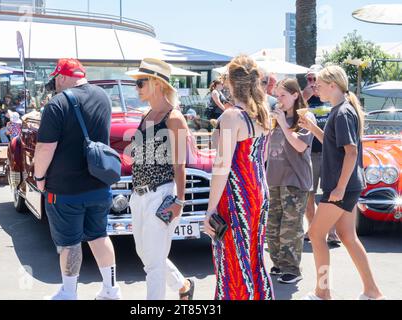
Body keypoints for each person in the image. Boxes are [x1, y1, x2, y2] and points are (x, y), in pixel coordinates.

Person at [34, 58, 121, 300]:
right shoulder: (104, 98)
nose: (55, 84)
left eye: (56, 79)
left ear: (62, 77)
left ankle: (69, 293)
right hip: (99, 183)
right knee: (99, 236)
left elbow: (44, 149)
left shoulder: (57, 104)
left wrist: (39, 177)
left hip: (65, 189)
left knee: (70, 243)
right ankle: (111, 290)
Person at [299, 65, 385, 300]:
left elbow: (350, 152)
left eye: (319, 84)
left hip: (341, 187)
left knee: (316, 234)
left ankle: (322, 292)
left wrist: (339, 187)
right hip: (346, 185)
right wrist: (313, 128)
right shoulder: (341, 110)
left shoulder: (342, 112)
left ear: (333, 85)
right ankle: (372, 291)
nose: (316, 87)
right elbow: (333, 143)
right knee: (347, 236)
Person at [203, 55, 274, 300]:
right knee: (253, 257)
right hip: (258, 190)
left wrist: (210, 210)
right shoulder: (263, 115)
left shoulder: (233, 116)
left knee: (232, 260)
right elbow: (260, 157)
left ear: (231, 83)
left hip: (237, 195)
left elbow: (222, 167)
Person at [127, 58, 195, 300]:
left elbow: (180, 164)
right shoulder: (147, 115)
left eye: (140, 83)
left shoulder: (173, 118)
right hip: (138, 195)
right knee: (146, 255)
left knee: (153, 265)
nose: (137, 88)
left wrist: (179, 201)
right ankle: (182, 285)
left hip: (162, 194)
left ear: (156, 83)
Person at [266, 79, 315, 284]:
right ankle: (278, 263)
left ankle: (292, 269)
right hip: (273, 179)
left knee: (290, 226)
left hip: (295, 179)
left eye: (283, 95)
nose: (279, 100)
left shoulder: (305, 116)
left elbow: (300, 146)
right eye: (277, 96)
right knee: (272, 226)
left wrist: (285, 125)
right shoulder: (277, 117)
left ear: (295, 95)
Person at [302, 65, 341, 246]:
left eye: (314, 79)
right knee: (308, 194)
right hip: (309, 154)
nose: (312, 83)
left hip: (328, 155)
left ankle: (332, 232)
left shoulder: (331, 99)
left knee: (329, 193)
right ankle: (313, 229)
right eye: (308, 79)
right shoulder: (304, 100)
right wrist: (304, 97)